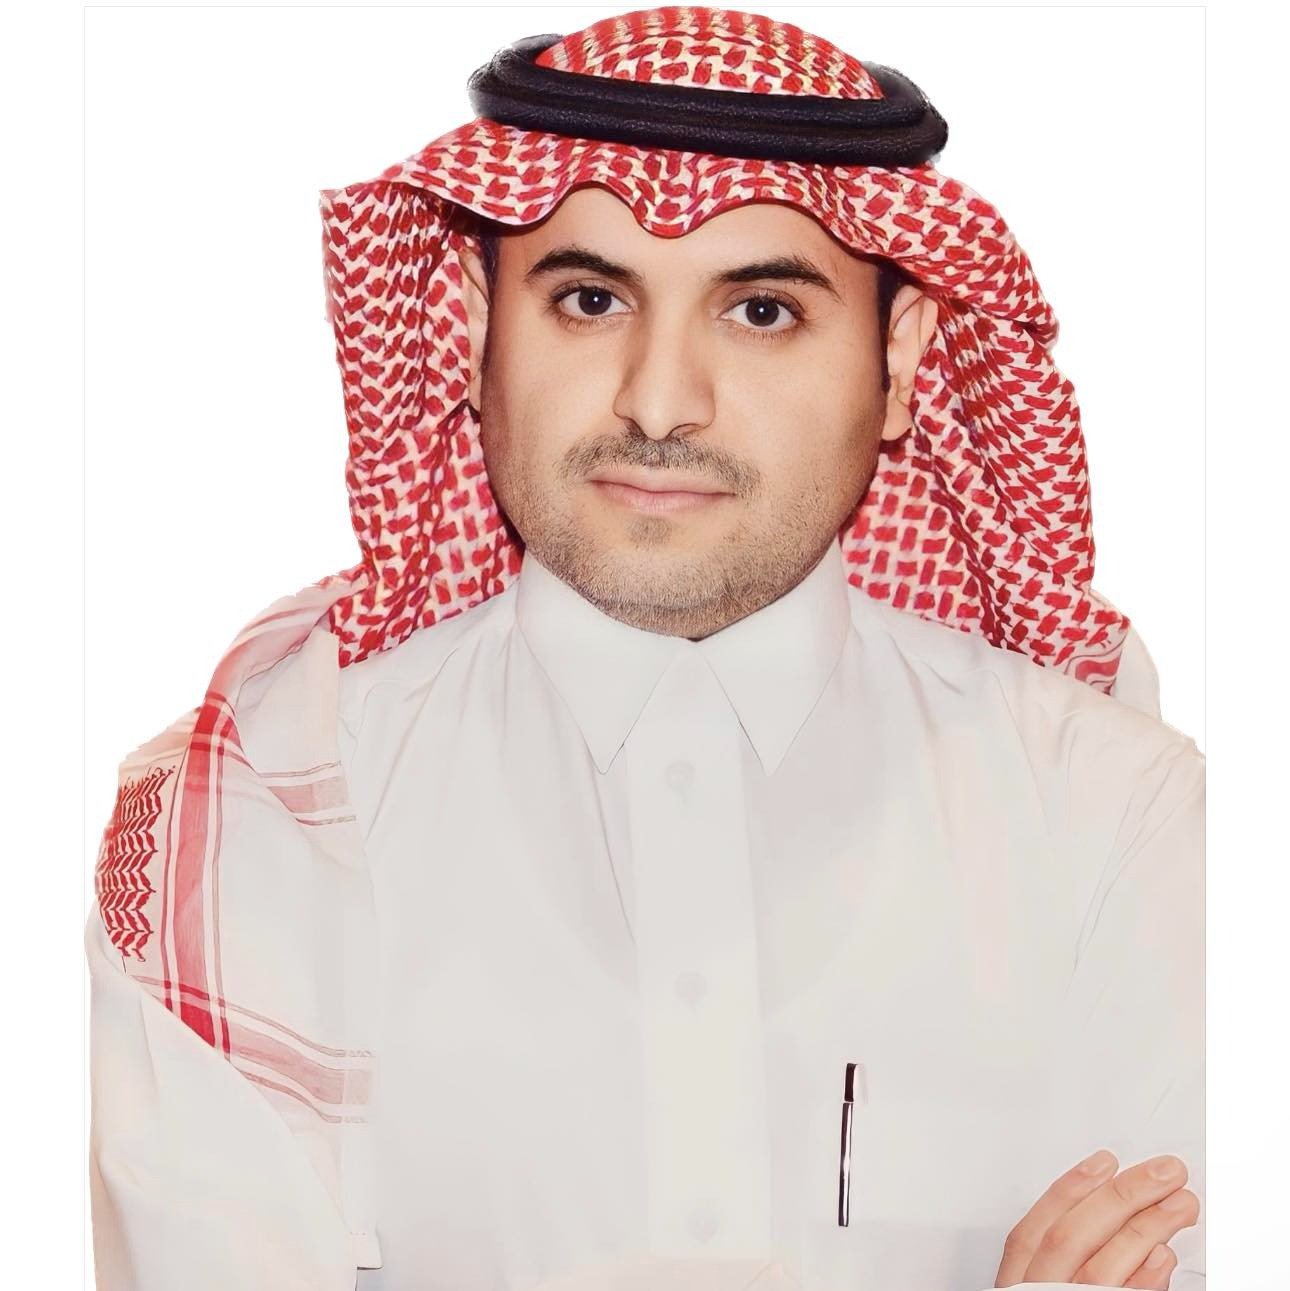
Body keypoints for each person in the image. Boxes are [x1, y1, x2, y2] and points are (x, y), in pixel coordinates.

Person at [86, 8, 1204, 1291]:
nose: (660, 403)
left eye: (763, 311)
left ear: (899, 363)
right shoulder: (249, 828)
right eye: (590, 299)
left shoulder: (1116, 818)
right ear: (473, 331)